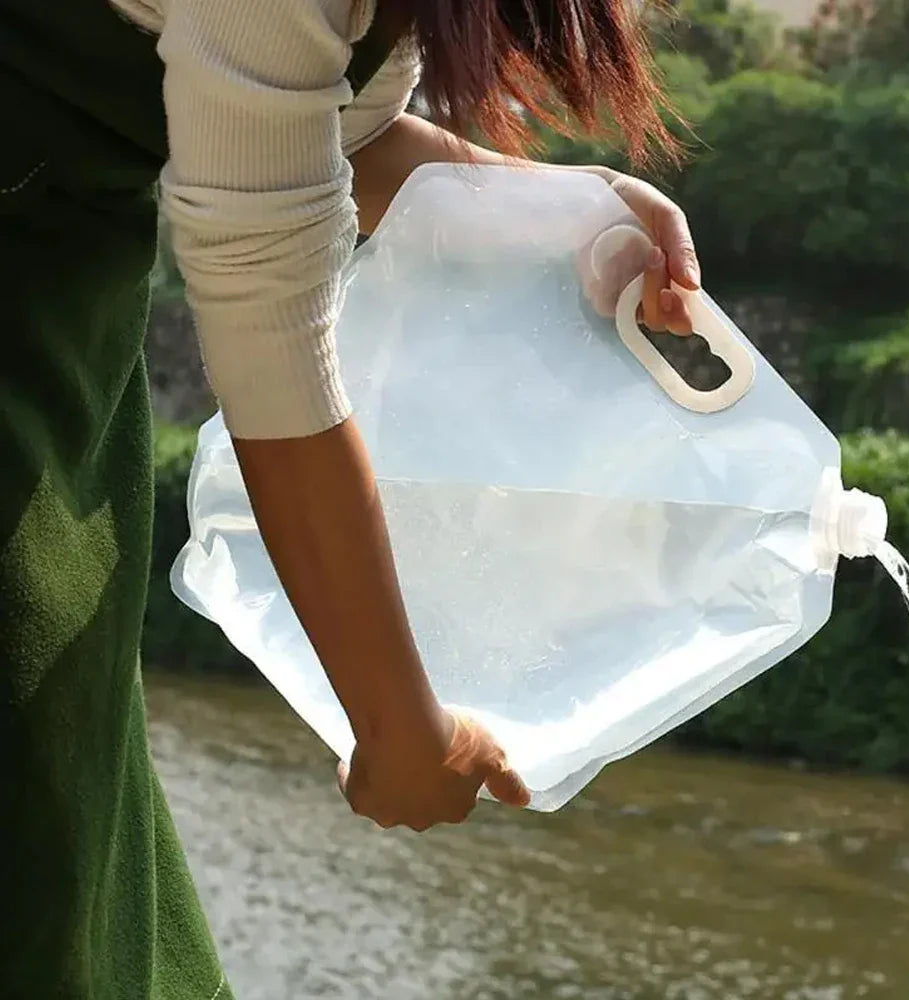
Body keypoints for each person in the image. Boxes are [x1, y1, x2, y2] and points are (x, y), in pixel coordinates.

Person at [0, 0, 702, 996]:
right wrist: (400, 728)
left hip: (65, 309)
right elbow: (271, 332)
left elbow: (327, 136)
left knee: (73, 802)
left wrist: (572, 215)